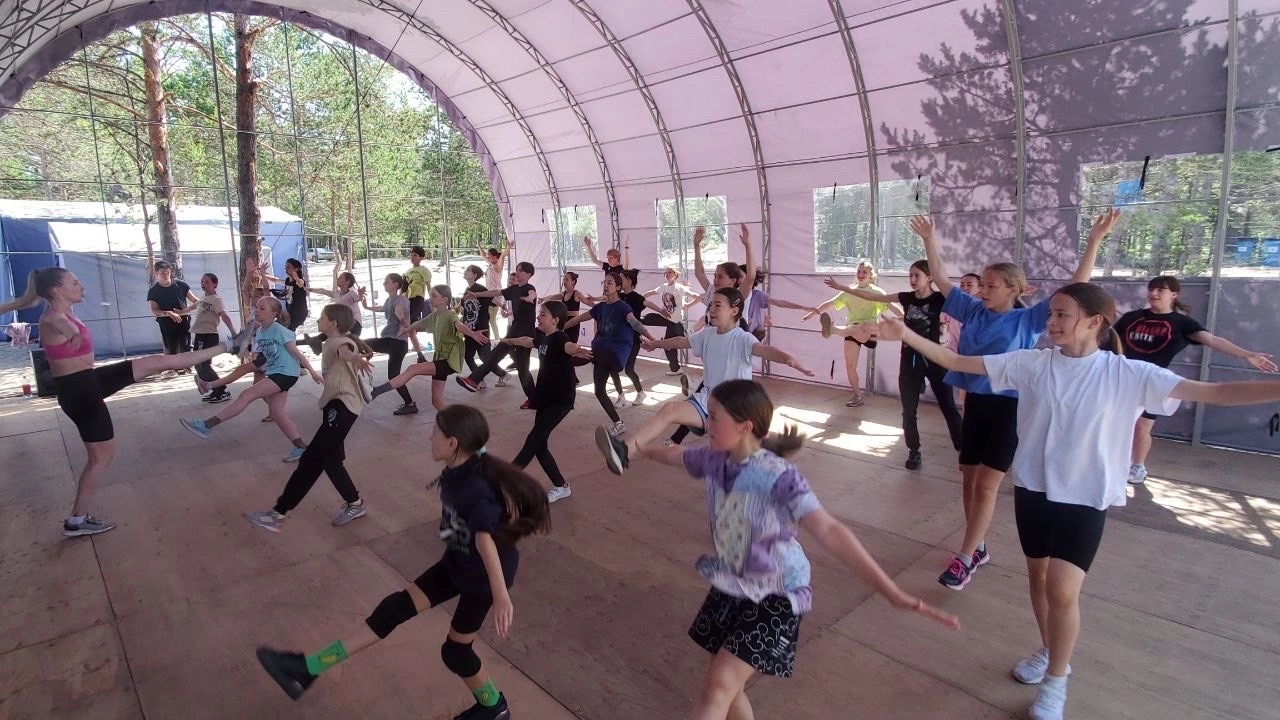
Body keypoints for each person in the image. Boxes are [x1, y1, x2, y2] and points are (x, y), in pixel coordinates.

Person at [878, 282, 1280, 720]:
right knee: (1038, 581)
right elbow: (957, 362)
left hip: (1085, 499)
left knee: (1062, 590)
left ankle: (1057, 680)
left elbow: (1214, 392)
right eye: (1050, 313)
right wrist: (907, 334)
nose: (1051, 322)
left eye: (1061, 314)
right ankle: (1050, 650)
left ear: (1094, 322)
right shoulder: (1031, 363)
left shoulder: (1130, 374)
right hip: (1034, 491)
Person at [610, 379, 959, 719]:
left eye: (713, 417)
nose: (705, 423)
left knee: (718, 687)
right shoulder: (716, 460)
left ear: (745, 426)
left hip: (778, 593)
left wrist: (891, 591)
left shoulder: (778, 476)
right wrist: (638, 450)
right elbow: (677, 455)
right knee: (728, 688)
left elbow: (831, 530)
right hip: (734, 581)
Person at [255, 405, 551, 720]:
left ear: (453, 443)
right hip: (458, 562)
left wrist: (501, 595)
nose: (430, 437)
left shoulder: (473, 488)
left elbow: (484, 539)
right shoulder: (465, 465)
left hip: (483, 580)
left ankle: (494, 707)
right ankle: (308, 669)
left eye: (435, 432)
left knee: (455, 652)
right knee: (392, 610)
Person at [909, 211, 1117, 591]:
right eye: (982, 284)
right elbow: (939, 277)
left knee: (987, 485)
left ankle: (965, 557)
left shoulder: (1028, 319)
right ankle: (978, 545)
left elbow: (1077, 286)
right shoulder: (971, 309)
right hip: (977, 403)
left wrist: (1094, 242)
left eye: (991, 286)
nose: (982, 290)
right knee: (969, 479)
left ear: (1012, 290)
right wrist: (928, 239)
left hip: (1010, 409)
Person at [0, 267, 249, 536]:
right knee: (101, 456)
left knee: (158, 362)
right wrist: (73, 335)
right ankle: (76, 521)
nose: (82, 286)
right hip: (80, 392)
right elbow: (63, 328)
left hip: (88, 382)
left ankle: (230, 345)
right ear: (57, 290)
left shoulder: (65, 312)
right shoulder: (54, 317)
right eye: (75, 282)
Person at [595, 287, 813, 475]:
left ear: (734, 311)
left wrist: (788, 359)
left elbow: (764, 350)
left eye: (718, 305)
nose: (711, 309)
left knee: (737, 462)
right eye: (710, 305)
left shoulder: (742, 338)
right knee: (669, 410)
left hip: (735, 407)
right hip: (708, 399)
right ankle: (624, 451)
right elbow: (681, 341)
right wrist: (655, 344)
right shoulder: (707, 334)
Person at [1115, 275, 1278, 484]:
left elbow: (1212, 340)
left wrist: (1247, 354)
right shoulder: (1132, 317)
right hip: (1123, 380)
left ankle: (1138, 466)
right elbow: (1110, 339)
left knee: (1141, 427)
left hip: (1154, 384)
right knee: (1118, 425)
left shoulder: (1182, 323)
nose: (1153, 293)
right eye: (1151, 289)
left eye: (1160, 290)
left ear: (1174, 295)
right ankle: (1114, 463)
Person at [819, 259, 962, 470]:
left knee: (948, 407)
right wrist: (841, 287)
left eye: (917, 275)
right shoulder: (906, 298)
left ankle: (964, 451)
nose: (912, 279)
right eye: (910, 275)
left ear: (930, 277)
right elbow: (871, 296)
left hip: (934, 359)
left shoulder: (940, 299)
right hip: (910, 361)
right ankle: (914, 451)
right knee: (908, 411)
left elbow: (966, 306)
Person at [244, 303, 374, 533]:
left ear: (333, 323)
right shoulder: (331, 341)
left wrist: (356, 359)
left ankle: (278, 514)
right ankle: (354, 503)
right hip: (336, 406)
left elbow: (346, 352)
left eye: (322, 317)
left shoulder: (340, 342)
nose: (318, 319)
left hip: (342, 408)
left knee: (311, 460)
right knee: (331, 460)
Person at [181, 296, 322, 462]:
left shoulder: (279, 330)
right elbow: (268, 354)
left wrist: (313, 372)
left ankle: (206, 425)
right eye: (257, 307)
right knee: (277, 413)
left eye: (262, 308)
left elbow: (296, 353)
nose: (257, 310)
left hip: (286, 373)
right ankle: (301, 447)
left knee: (246, 395)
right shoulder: (261, 332)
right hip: (276, 372)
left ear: (274, 314)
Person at [503, 300, 592, 503]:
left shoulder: (560, 338)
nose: (539, 317)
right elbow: (528, 341)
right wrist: (509, 341)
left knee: (532, 441)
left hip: (560, 400)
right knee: (540, 445)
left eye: (543, 314)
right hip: (544, 396)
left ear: (555, 320)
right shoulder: (544, 337)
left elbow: (569, 347)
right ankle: (561, 486)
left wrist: (578, 350)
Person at [563, 272, 656, 435]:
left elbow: (635, 323)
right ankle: (619, 423)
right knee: (599, 391)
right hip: (601, 352)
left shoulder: (623, 307)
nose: (605, 285)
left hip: (616, 353)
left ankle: (571, 360)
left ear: (618, 287)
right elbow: (579, 319)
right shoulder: (600, 308)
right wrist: (560, 328)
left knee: (586, 356)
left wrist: (653, 340)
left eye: (610, 283)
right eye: (604, 282)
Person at [370, 285, 488, 412]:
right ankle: (455, 422)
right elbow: (419, 323)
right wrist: (406, 329)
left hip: (449, 361)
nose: (430, 298)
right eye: (430, 295)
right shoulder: (435, 315)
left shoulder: (451, 315)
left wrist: (473, 334)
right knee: (437, 401)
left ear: (445, 299)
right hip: (440, 359)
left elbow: (459, 326)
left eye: (434, 296)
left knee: (413, 369)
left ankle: (376, 391)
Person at [802, 260, 886, 408]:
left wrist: (904, 317)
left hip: (869, 329)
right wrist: (813, 313)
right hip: (850, 330)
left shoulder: (877, 292)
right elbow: (830, 303)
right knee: (850, 365)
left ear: (871, 275)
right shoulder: (849, 291)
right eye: (859, 271)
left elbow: (891, 305)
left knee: (856, 328)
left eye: (864, 272)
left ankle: (832, 330)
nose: (861, 274)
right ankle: (857, 395)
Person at [456, 262, 539, 400]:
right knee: (497, 357)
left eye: (521, 270)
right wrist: (476, 294)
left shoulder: (529, 288)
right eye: (517, 270)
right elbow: (495, 292)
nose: (517, 272)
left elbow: (532, 293)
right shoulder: (514, 289)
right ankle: (473, 380)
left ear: (529, 274)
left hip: (526, 332)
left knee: (520, 367)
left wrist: (530, 298)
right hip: (514, 330)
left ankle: (533, 399)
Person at [360, 273, 417, 416]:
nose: (384, 284)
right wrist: (366, 306)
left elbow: (405, 322)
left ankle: (354, 363)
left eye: (387, 282)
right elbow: (382, 308)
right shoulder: (390, 299)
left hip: (396, 342)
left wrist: (401, 318)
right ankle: (410, 404)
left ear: (396, 284)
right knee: (394, 377)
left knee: (362, 343)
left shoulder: (401, 300)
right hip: (393, 342)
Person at [183, 273, 238, 403]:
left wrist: (233, 332)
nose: (203, 284)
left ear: (215, 284)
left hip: (208, 336)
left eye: (207, 282)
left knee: (202, 365)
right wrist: (178, 312)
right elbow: (192, 307)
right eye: (202, 282)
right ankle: (216, 390)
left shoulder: (216, 299)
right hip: (199, 335)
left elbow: (224, 316)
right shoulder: (203, 298)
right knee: (199, 365)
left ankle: (222, 391)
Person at [642, 267, 697, 375]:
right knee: (648, 319)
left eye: (670, 272)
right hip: (666, 318)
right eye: (666, 272)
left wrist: (689, 305)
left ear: (675, 275)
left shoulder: (679, 288)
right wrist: (638, 297)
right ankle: (676, 368)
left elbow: (696, 296)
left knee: (669, 345)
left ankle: (676, 368)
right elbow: (651, 292)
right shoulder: (664, 287)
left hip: (675, 322)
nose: (667, 274)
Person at [146, 260, 198, 367]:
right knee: (171, 348)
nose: (166, 276)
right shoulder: (153, 291)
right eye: (162, 273)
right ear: (156, 273)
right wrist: (168, 313)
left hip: (183, 321)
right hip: (166, 323)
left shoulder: (181, 285)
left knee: (186, 346)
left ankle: (187, 367)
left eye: (168, 273)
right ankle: (173, 368)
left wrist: (185, 311)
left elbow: (197, 302)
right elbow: (154, 310)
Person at [305, 271, 365, 350]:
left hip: (354, 325)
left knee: (334, 328)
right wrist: (310, 289)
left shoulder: (351, 294)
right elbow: (323, 291)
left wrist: (360, 294)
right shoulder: (337, 293)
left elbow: (358, 299)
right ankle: (317, 341)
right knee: (332, 327)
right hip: (344, 324)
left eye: (340, 278)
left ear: (347, 282)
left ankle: (317, 341)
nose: (337, 279)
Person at [404, 245, 432, 363]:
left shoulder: (424, 270)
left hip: (418, 299)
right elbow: (405, 289)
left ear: (421, 257)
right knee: (410, 329)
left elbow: (429, 286)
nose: (412, 257)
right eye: (411, 255)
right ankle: (420, 355)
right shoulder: (408, 272)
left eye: (415, 255)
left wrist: (432, 301)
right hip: (408, 301)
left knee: (408, 325)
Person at [265, 258, 309, 332]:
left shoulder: (301, 281)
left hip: (299, 313)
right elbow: (275, 280)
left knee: (286, 330)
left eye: (288, 267)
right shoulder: (288, 280)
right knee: (285, 329)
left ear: (296, 269)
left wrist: (296, 277)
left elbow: (300, 283)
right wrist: (263, 275)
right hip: (290, 312)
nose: (286, 269)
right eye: (285, 267)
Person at [481, 242, 511, 340]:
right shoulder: (490, 264)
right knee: (490, 319)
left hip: (495, 295)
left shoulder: (497, 266)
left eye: (489, 256)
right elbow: (483, 255)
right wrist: (479, 245)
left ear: (494, 256)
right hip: (489, 295)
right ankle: (495, 338)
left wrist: (508, 247)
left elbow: (502, 256)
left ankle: (497, 339)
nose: (488, 258)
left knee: (492, 320)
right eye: (488, 257)